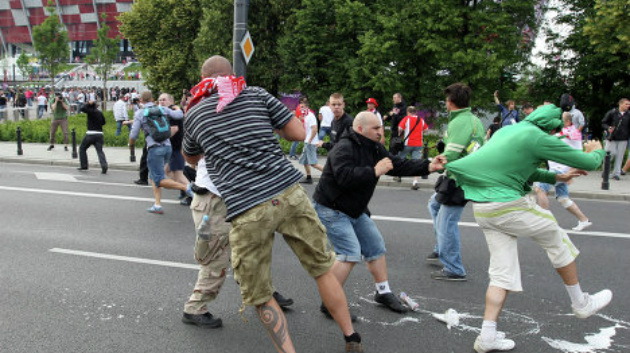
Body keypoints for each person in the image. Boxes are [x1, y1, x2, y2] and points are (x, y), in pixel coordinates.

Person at [183, 55, 362, 353]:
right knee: (321, 269)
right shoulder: (256, 94)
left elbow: (191, 157)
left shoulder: (195, 113)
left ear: (203, 80)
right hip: (288, 193)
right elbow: (298, 133)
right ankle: (351, 337)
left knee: (260, 293)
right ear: (232, 74)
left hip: (246, 208)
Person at [446, 104, 612, 353]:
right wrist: (598, 151)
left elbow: (523, 169)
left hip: (483, 209)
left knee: (501, 273)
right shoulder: (539, 137)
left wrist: (557, 177)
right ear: (552, 127)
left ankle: (487, 336)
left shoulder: (508, 130)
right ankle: (581, 303)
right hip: (509, 206)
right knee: (557, 238)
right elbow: (588, 161)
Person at [313, 111, 446, 316]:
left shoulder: (374, 147)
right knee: (349, 253)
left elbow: (397, 164)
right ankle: (328, 301)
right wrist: (374, 171)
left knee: (376, 247)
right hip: (332, 208)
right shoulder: (344, 147)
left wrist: (429, 165)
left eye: (380, 127)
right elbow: (343, 177)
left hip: (354, 209)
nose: (380, 131)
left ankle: (382, 292)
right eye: (375, 128)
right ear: (360, 129)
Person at [182, 158, 294, 328]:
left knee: (248, 250)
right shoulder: (210, 130)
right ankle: (194, 308)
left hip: (238, 197)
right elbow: (190, 152)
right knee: (216, 256)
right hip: (214, 199)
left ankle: (262, 294)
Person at [426, 83, 484, 281]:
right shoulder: (473, 119)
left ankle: (454, 268)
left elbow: (451, 153)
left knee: (446, 223)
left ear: (450, 102)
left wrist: (433, 163)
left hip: (459, 178)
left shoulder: (459, 122)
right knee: (434, 205)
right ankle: (441, 247)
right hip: (465, 174)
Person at [128, 91, 192, 214]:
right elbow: (179, 115)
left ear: (141, 100)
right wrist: (178, 108)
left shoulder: (140, 113)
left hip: (155, 148)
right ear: (152, 99)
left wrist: (131, 144)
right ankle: (157, 204)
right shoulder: (162, 109)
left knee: (158, 179)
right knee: (154, 177)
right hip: (168, 147)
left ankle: (187, 188)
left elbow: (134, 133)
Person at [535, 112, 592, 231]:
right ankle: (584, 220)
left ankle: (546, 222)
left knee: (539, 189)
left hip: (560, 170)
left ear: (566, 121)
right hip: (564, 170)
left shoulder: (567, 132)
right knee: (562, 197)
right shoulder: (572, 131)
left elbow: (548, 138)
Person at [158, 93, 190, 203]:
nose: (161, 102)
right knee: (167, 170)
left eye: (164, 100)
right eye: (160, 100)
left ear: (171, 101)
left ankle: (191, 194)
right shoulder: (170, 112)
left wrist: (160, 139)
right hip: (173, 148)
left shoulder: (171, 112)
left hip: (176, 148)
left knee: (178, 175)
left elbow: (174, 129)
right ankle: (184, 189)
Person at [397, 106, 429, 190]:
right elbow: (426, 130)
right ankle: (415, 182)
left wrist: (401, 134)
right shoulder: (421, 120)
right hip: (418, 143)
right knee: (416, 162)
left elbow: (400, 128)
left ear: (408, 112)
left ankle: (399, 175)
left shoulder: (406, 118)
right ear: (415, 112)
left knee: (401, 158)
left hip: (408, 143)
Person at [601, 98, 630, 180]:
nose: (628, 106)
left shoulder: (628, 114)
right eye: (626, 104)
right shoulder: (612, 113)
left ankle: (616, 173)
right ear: (620, 104)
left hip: (623, 138)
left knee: (620, 156)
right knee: (610, 154)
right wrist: (608, 128)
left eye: (628, 104)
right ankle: (606, 171)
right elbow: (603, 122)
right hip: (612, 138)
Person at [77, 100, 108, 174]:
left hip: (90, 134)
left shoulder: (90, 111)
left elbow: (82, 108)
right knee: (99, 151)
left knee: (82, 148)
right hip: (99, 134)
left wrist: (88, 104)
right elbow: (103, 122)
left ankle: (84, 165)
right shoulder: (99, 113)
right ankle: (104, 165)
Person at [298, 98, 323, 184]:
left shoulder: (311, 116)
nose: (301, 109)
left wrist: (309, 140)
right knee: (305, 161)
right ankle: (309, 178)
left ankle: (330, 175)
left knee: (313, 163)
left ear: (307, 107)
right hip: (307, 142)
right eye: (300, 107)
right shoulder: (305, 117)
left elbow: (314, 129)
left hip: (311, 143)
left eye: (303, 107)